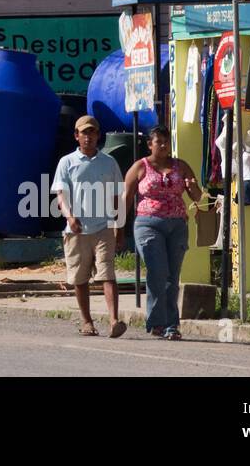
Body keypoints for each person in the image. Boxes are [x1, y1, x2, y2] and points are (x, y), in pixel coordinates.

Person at [51, 115, 127, 338]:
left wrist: (119, 227)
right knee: (80, 277)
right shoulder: (67, 162)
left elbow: (117, 198)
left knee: (108, 273)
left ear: (98, 135)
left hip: (103, 226)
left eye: (92, 132)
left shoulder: (109, 162)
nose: (88, 137)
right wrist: (70, 217)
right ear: (76, 136)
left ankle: (114, 320)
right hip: (77, 229)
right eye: (84, 133)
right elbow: (61, 196)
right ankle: (87, 321)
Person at [124, 125, 201, 339]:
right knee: (158, 271)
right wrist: (118, 227)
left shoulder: (181, 166)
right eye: (159, 141)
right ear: (150, 144)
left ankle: (170, 325)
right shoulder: (140, 167)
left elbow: (197, 196)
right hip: (148, 224)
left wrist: (192, 186)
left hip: (176, 225)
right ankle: (157, 321)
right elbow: (127, 198)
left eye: (166, 141)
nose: (164, 145)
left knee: (172, 276)